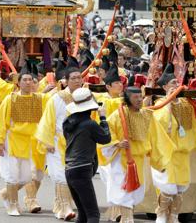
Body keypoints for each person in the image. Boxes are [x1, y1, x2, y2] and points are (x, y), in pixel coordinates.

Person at [101, 86, 173, 223]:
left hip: (139, 161)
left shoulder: (147, 115)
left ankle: (124, 216)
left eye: (141, 97)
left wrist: (159, 161)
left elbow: (156, 139)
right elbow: (106, 132)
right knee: (124, 191)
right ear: (127, 99)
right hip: (122, 159)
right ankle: (127, 219)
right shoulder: (118, 115)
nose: (140, 100)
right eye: (136, 98)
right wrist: (117, 143)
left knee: (136, 191)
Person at [0, 61, 48, 216]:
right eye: (25, 80)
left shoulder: (40, 99)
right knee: (12, 174)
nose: (28, 82)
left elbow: (54, 102)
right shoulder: (11, 99)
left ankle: (6, 194)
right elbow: (0, 121)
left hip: (31, 142)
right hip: (12, 141)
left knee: (27, 176)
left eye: (31, 80)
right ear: (18, 82)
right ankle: (12, 204)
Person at [151, 64, 196, 223]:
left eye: (176, 82)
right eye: (172, 82)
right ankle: (161, 215)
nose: (176, 85)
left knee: (180, 188)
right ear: (165, 86)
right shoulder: (160, 103)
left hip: (182, 153)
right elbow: (161, 124)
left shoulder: (185, 104)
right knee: (166, 187)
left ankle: (174, 216)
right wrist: (168, 103)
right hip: (167, 153)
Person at [35, 58, 82, 221]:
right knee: (60, 175)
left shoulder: (87, 97)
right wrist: (47, 141)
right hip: (57, 142)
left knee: (72, 175)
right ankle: (66, 207)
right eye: (73, 78)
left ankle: (60, 205)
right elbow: (48, 121)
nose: (77, 80)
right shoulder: (56, 98)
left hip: (78, 143)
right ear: (66, 81)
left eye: (79, 77)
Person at [63, 87, 111, 223]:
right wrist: (103, 118)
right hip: (82, 169)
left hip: (69, 169)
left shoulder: (68, 122)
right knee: (93, 215)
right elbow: (106, 138)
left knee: (83, 214)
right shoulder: (89, 124)